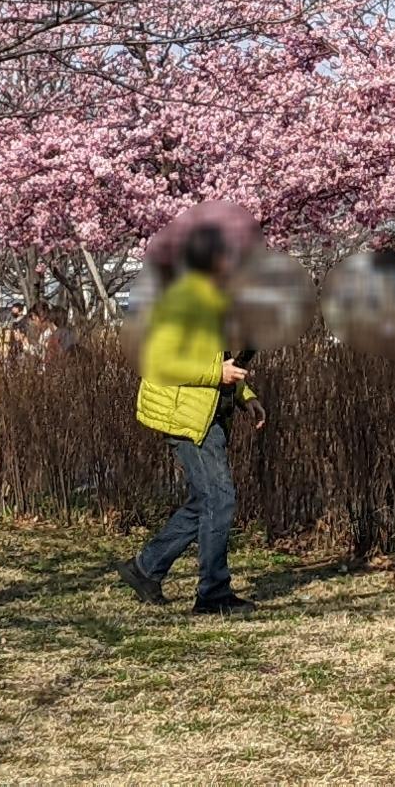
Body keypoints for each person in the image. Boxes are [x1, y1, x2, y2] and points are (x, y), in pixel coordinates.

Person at [117, 221, 264, 616]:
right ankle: (213, 594)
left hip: (206, 410)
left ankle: (146, 568)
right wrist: (217, 375)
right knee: (220, 498)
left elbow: (222, 359)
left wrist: (245, 394)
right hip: (184, 414)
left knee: (205, 500)